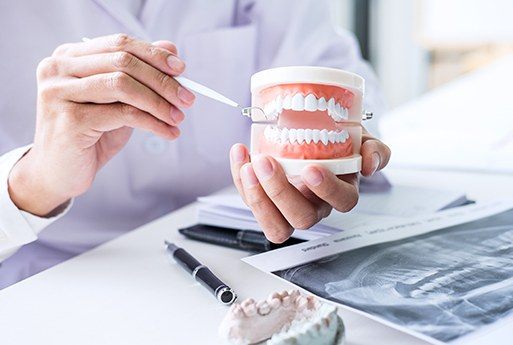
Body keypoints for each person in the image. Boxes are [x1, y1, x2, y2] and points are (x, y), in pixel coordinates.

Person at [0, 0, 390, 289]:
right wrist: (34, 183)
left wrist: (341, 150)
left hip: (238, 265)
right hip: (52, 282)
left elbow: (336, 75)